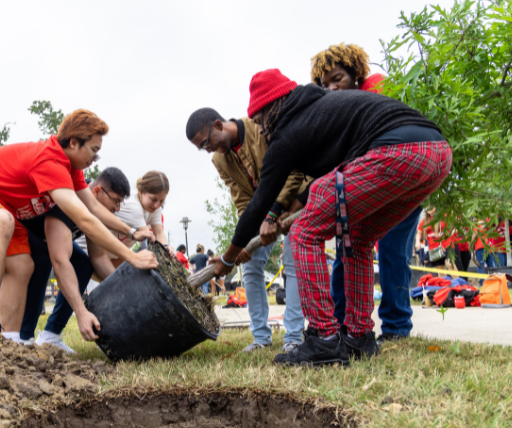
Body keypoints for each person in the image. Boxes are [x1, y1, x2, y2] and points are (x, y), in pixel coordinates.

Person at [211, 68, 451, 367]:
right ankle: (359, 336)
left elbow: (257, 204)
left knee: (304, 234)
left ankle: (324, 339)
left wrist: (228, 258)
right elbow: (323, 182)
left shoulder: (290, 129)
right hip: (436, 154)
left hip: (395, 152)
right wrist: (281, 212)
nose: (259, 129)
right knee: (359, 236)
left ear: (274, 106)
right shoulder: (323, 110)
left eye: (260, 120)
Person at [0, 109, 158, 343]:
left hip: (0, 206)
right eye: (94, 150)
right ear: (73, 142)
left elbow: (92, 207)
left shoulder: (73, 170)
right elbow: (85, 218)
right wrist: (131, 257)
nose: (95, 159)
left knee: (23, 264)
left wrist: (131, 232)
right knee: (2, 222)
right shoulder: (49, 160)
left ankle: (11, 341)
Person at [311, 43, 425, 345]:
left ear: (355, 73)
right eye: (325, 85)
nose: (332, 88)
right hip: (366, 187)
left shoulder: (378, 90)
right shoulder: (337, 110)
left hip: (400, 184)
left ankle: (397, 328)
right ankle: (342, 324)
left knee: (393, 253)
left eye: (338, 79)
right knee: (346, 251)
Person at [186, 107, 308, 352]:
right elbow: (243, 201)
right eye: (202, 148)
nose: (207, 150)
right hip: (262, 216)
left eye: (206, 142)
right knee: (250, 267)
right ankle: (261, 338)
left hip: (295, 203)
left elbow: (294, 172)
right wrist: (243, 241)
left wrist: (275, 212)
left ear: (219, 125)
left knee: (292, 260)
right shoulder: (219, 159)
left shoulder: (261, 128)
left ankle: (294, 337)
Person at [18, 167, 147, 351]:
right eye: (116, 201)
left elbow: (99, 258)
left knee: (83, 264)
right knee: (44, 259)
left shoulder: (96, 211)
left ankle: (51, 335)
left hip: (50, 238)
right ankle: (24, 337)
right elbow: (60, 259)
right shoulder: (69, 196)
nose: (117, 209)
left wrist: (127, 285)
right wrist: (81, 312)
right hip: (27, 229)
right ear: (97, 191)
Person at [109, 171, 174, 266]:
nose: (157, 205)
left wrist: (166, 246)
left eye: (162, 201)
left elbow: (159, 233)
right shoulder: (133, 206)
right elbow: (151, 240)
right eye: (153, 199)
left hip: (113, 256)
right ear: (141, 193)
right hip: (90, 252)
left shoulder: (155, 207)